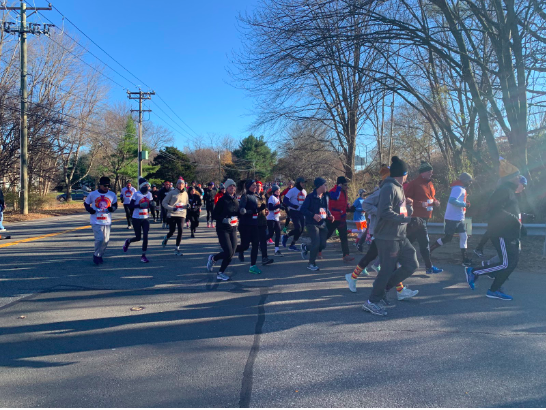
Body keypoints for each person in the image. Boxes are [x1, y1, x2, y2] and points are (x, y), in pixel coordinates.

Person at [345, 165, 418, 301]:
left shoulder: (395, 189)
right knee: (376, 258)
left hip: (389, 232)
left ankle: (355, 277)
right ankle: (356, 279)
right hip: (379, 231)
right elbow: (366, 204)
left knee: (379, 258)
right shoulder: (383, 191)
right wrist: (379, 213)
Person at [362, 156, 419, 317]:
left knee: (412, 263)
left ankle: (383, 290)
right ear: (404, 173)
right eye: (407, 174)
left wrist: (409, 208)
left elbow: (400, 212)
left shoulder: (399, 188)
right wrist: (407, 219)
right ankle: (372, 301)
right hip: (387, 236)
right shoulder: (389, 187)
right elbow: (384, 212)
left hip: (400, 235)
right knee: (386, 270)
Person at [465, 159, 523, 300]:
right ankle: (474, 272)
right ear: (510, 178)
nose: (518, 178)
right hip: (502, 233)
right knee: (506, 263)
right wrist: (514, 220)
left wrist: (521, 220)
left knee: (512, 263)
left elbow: (508, 211)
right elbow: (495, 210)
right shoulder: (503, 191)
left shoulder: (509, 191)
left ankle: (495, 288)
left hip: (510, 233)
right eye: (517, 176)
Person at [474, 175, 530, 258]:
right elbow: (497, 209)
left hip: (508, 227)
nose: (524, 188)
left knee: (505, 254)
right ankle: (480, 255)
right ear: (518, 183)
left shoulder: (512, 194)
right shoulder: (505, 192)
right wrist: (515, 219)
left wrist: (523, 215)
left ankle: (482, 253)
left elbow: (512, 211)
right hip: (502, 227)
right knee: (505, 255)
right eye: (523, 185)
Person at [403, 161, 443, 274]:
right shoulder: (414, 184)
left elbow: (432, 197)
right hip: (416, 218)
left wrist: (435, 201)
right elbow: (405, 199)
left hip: (426, 217)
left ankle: (391, 262)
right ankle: (429, 267)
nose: (432, 173)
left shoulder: (430, 183)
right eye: (429, 171)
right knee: (424, 242)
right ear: (423, 173)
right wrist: (420, 204)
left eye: (432, 171)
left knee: (408, 241)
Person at [429, 172, 473, 266]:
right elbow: (452, 200)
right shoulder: (458, 188)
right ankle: (429, 250)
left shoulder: (461, 188)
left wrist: (464, 203)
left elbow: (457, 200)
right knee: (447, 238)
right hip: (452, 218)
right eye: (469, 181)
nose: (470, 183)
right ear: (465, 180)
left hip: (459, 217)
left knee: (464, 237)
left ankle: (465, 260)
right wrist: (465, 204)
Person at [207, 179, 239, 281]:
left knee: (232, 252)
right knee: (228, 252)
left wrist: (241, 214)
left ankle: (215, 261)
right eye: (230, 186)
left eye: (233, 186)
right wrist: (224, 219)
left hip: (233, 228)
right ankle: (218, 269)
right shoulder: (222, 200)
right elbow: (215, 215)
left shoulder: (236, 200)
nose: (232, 188)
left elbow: (237, 213)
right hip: (222, 229)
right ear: (226, 188)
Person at [300, 177, 333, 271]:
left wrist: (330, 215)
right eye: (324, 184)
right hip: (311, 223)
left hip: (322, 223)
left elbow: (325, 209)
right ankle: (311, 263)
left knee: (322, 245)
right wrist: (313, 215)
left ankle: (305, 247)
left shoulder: (326, 196)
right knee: (316, 243)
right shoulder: (310, 197)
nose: (326, 186)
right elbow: (303, 209)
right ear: (319, 186)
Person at [84, 176, 118, 265]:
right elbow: (86, 203)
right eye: (105, 186)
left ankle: (100, 255)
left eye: (108, 186)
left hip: (107, 221)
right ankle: (96, 255)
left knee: (106, 240)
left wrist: (112, 209)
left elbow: (115, 205)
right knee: (99, 239)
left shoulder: (112, 194)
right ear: (100, 185)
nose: (107, 188)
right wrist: (90, 209)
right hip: (96, 221)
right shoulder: (93, 194)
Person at [235, 180, 263, 274]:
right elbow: (242, 211)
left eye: (255, 185)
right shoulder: (245, 196)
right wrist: (254, 211)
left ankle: (253, 266)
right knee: (245, 246)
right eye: (253, 185)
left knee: (256, 244)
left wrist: (260, 209)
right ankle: (229, 251)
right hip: (245, 225)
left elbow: (255, 210)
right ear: (248, 187)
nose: (255, 187)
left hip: (254, 224)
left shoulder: (255, 197)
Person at [123, 177, 152, 263]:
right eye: (145, 186)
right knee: (138, 237)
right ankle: (128, 241)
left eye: (148, 186)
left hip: (145, 218)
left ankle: (143, 255)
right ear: (142, 186)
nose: (147, 187)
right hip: (136, 218)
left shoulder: (149, 194)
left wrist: (153, 206)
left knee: (146, 236)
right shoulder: (136, 194)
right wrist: (139, 206)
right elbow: (130, 206)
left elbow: (149, 205)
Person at [327, 176, 355, 263]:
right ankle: (311, 248)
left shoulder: (344, 192)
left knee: (344, 237)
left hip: (342, 219)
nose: (347, 187)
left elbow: (343, 205)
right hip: (333, 218)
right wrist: (338, 188)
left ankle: (346, 255)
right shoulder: (333, 192)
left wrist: (349, 209)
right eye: (345, 185)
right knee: (326, 236)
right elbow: (333, 203)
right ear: (340, 184)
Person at [161, 178, 188, 256]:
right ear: (177, 185)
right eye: (179, 184)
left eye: (182, 184)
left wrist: (187, 206)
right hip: (172, 214)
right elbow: (164, 203)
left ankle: (177, 248)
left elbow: (186, 203)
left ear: (184, 185)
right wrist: (172, 208)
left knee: (180, 230)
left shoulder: (185, 193)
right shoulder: (172, 193)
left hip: (181, 214)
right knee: (172, 231)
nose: (181, 185)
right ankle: (166, 237)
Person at [282, 177, 307, 251]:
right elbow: (285, 200)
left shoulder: (305, 191)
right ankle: (286, 237)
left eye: (304, 183)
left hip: (301, 212)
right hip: (293, 211)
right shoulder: (292, 190)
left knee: (301, 230)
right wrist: (292, 205)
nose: (303, 184)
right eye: (302, 182)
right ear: (298, 183)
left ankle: (291, 244)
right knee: (298, 228)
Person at [256, 181, 274, 265]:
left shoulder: (262, 196)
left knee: (263, 240)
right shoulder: (252, 196)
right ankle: (240, 251)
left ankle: (264, 258)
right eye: (256, 186)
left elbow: (264, 206)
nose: (258, 187)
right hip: (254, 222)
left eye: (259, 186)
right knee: (248, 242)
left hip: (263, 221)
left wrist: (265, 210)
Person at [267, 184, 283, 257]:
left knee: (278, 233)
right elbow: (270, 207)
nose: (278, 192)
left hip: (276, 218)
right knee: (270, 234)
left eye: (279, 190)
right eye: (277, 190)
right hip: (271, 219)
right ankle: (261, 242)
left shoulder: (278, 198)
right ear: (274, 191)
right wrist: (278, 206)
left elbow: (277, 207)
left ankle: (277, 250)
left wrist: (282, 207)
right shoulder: (272, 197)